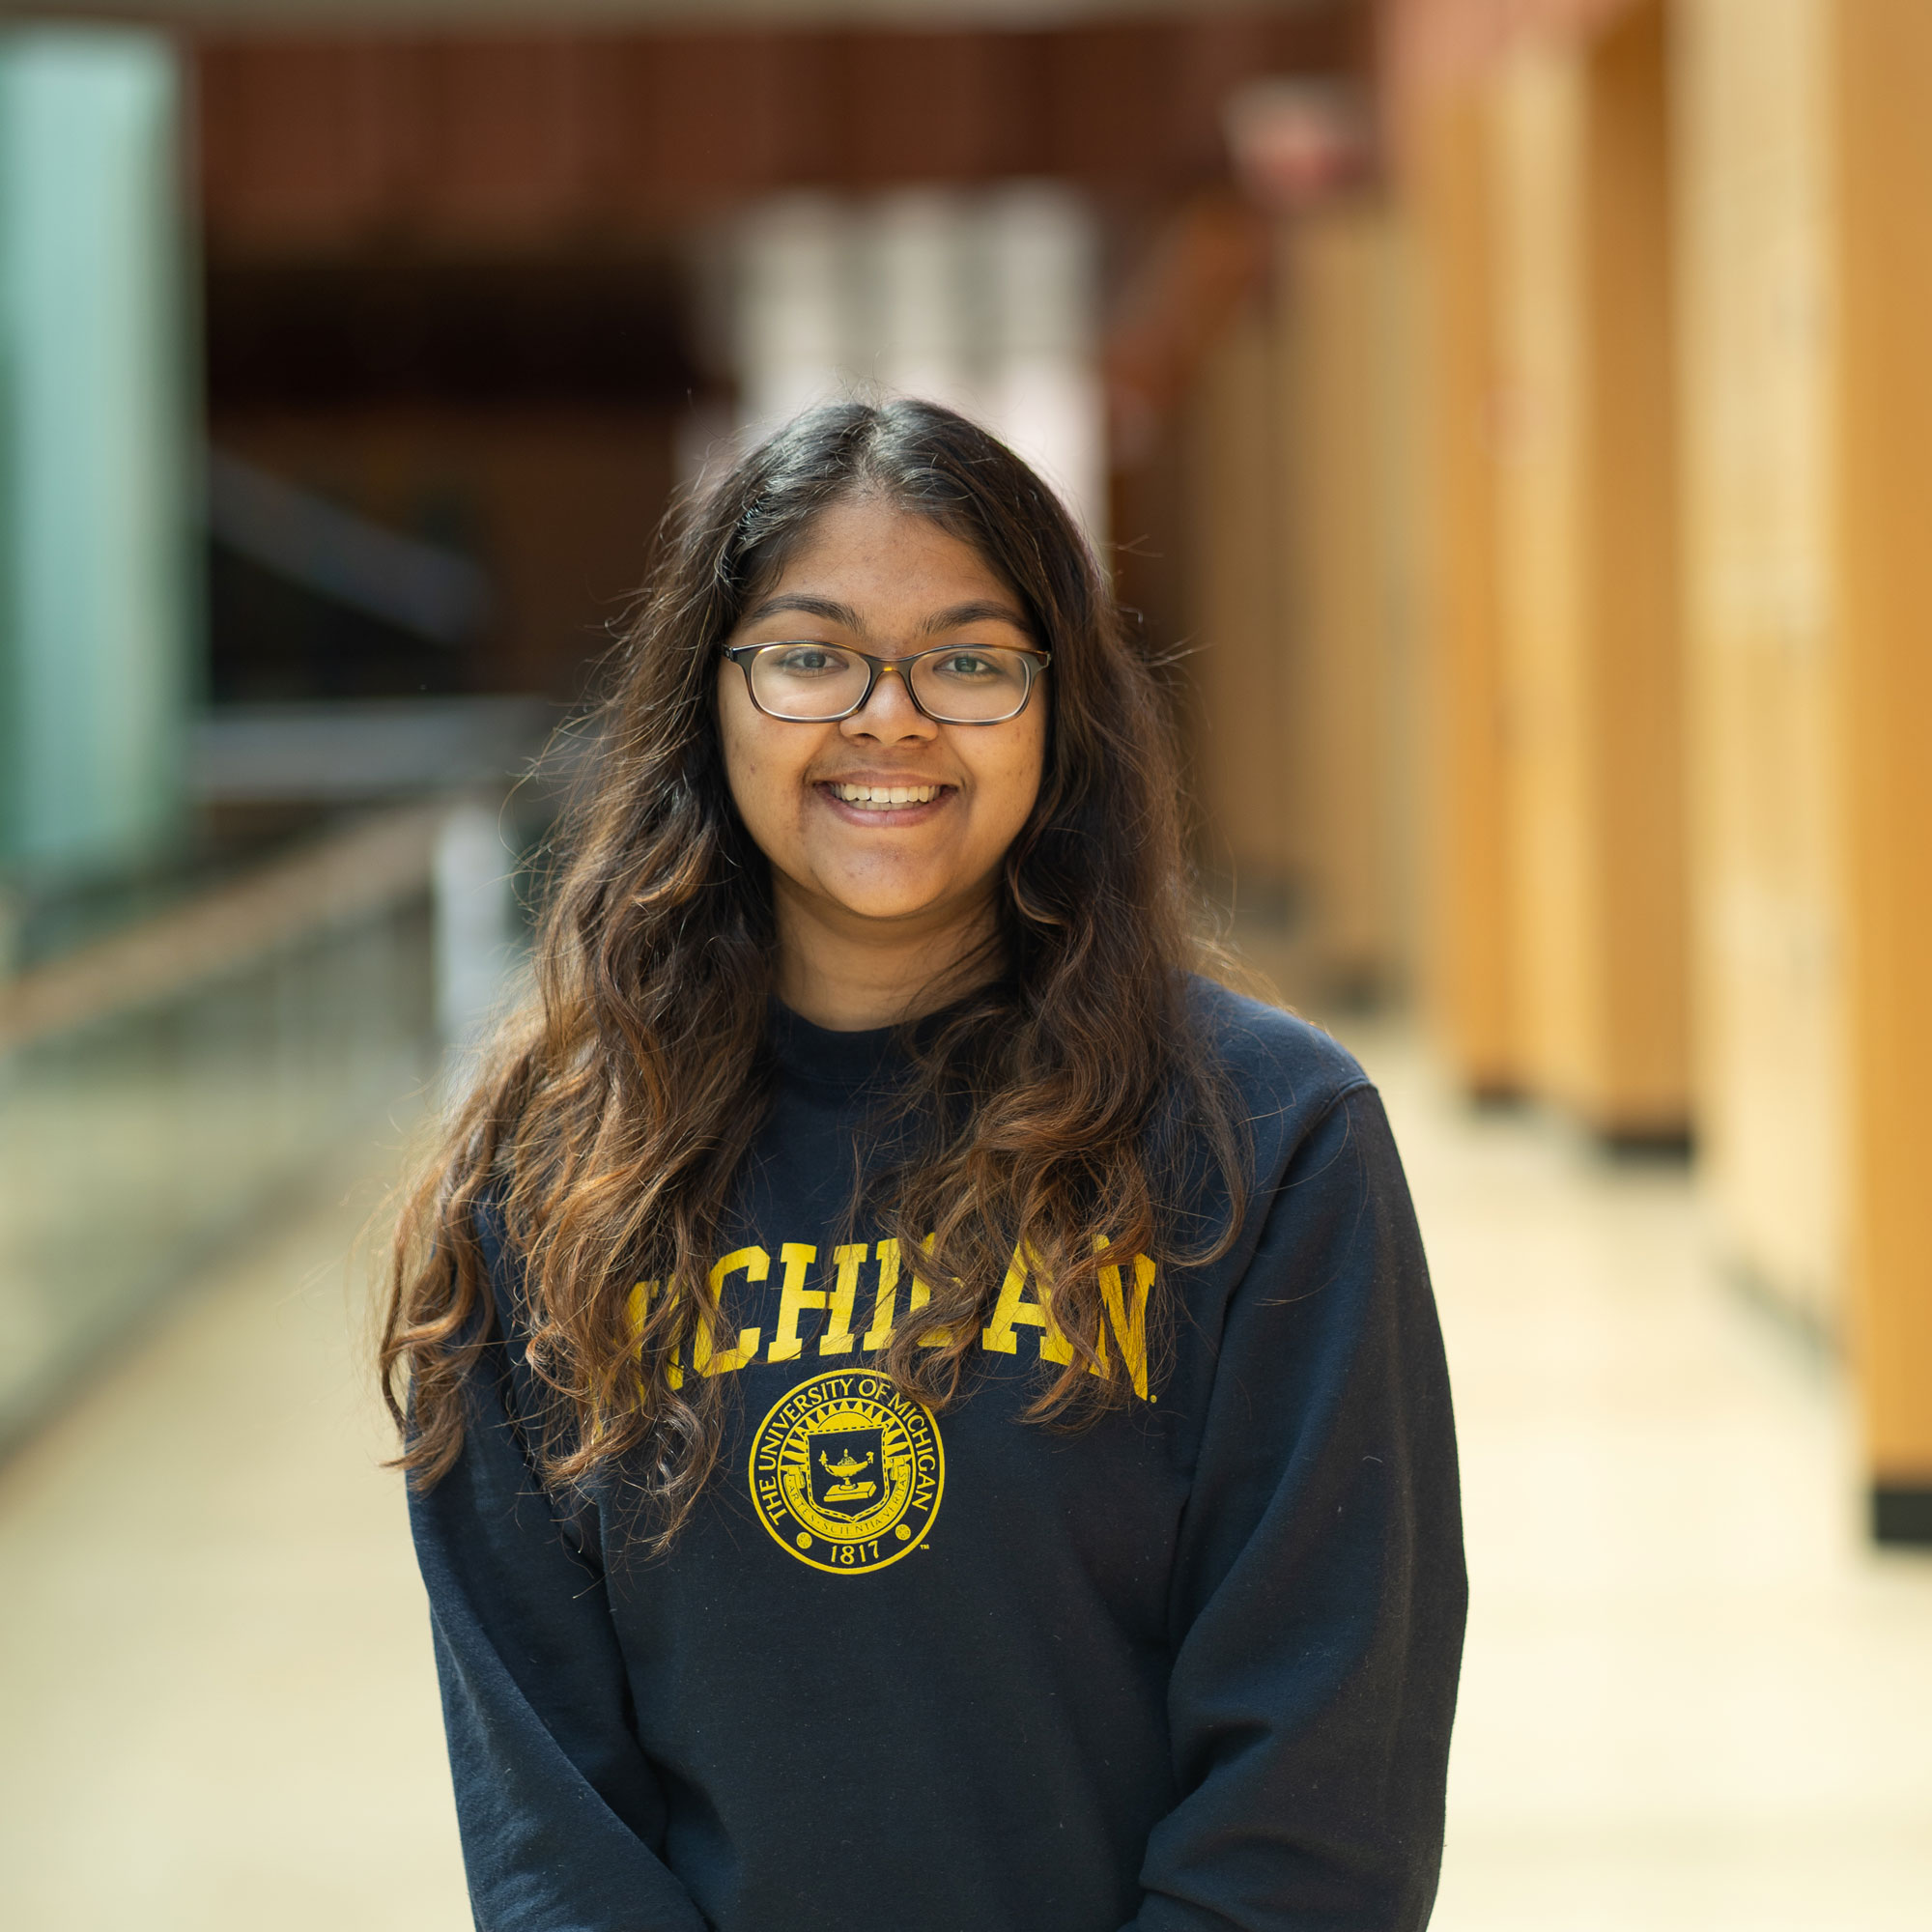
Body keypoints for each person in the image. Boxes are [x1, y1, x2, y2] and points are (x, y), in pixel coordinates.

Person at [383, 398, 1465, 1932]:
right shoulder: (552, 1175)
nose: (888, 718)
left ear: (1056, 711)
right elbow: (548, 1811)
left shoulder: (1268, 1140)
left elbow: (1323, 1763)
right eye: (813, 655)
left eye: (967, 661)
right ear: (713, 701)